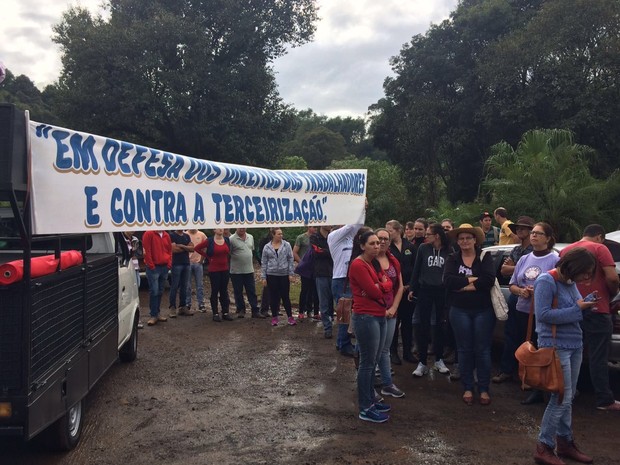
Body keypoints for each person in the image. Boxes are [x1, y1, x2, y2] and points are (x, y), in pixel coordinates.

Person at [533, 247, 597, 465]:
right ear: (574, 266)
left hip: (574, 343)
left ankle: (565, 442)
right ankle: (544, 446)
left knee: (568, 398)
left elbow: (574, 308)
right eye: (586, 272)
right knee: (560, 397)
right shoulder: (546, 281)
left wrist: (586, 303)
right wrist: (578, 308)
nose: (587, 277)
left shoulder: (570, 283)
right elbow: (542, 315)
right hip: (555, 345)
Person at [494, 223, 559, 404]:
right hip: (522, 309)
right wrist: (520, 291)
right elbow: (513, 284)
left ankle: (539, 387)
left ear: (548, 238)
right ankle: (523, 377)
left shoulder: (555, 259)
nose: (534, 236)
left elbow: (561, 285)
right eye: (533, 233)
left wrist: (540, 290)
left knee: (541, 348)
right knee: (522, 344)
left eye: (539, 233)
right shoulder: (524, 259)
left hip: (543, 313)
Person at [559, 224, 620, 411]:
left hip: (572, 309)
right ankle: (604, 400)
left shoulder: (567, 250)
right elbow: (612, 278)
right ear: (600, 237)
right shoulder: (600, 248)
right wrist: (613, 294)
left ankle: (568, 392)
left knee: (572, 353)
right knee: (598, 356)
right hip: (597, 309)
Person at [444, 224, 495, 405]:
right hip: (459, 310)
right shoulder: (452, 259)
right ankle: (467, 386)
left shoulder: (485, 257)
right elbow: (448, 281)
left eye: (468, 238)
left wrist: (463, 286)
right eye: (461, 238)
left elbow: (489, 279)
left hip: (483, 310)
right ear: (457, 241)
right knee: (464, 349)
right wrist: (474, 281)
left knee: (482, 350)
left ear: (475, 240)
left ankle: (483, 388)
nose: (465, 241)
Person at [348, 230, 392, 423]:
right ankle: (365, 407)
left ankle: (371, 400)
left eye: (378, 243)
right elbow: (374, 292)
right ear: (362, 245)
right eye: (372, 243)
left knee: (372, 361)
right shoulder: (358, 265)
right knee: (366, 363)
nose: (377, 245)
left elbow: (388, 283)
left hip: (379, 315)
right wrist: (381, 286)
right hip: (366, 317)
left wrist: (381, 285)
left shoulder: (373, 263)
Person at [409, 223, 451, 377]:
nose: (425, 237)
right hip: (425, 290)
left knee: (440, 325)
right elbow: (417, 268)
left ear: (437, 236)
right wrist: (413, 288)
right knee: (422, 325)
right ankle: (422, 362)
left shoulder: (448, 250)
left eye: (428, 234)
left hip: (442, 291)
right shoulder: (423, 249)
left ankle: (439, 360)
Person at [375, 228, 405, 398]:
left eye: (386, 239)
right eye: (379, 239)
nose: (383, 242)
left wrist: (394, 308)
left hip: (391, 312)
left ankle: (387, 384)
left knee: (385, 349)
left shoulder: (393, 260)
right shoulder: (368, 262)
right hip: (374, 313)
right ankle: (369, 384)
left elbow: (399, 286)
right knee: (372, 351)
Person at [328, 218, 366, 356]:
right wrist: (359, 207)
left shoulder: (350, 237)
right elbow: (352, 225)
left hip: (349, 279)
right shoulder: (333, 236)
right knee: (345, 313)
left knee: (347, 313)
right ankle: (344, 345)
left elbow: (359, 224)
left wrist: (362, 209)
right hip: (341, 280)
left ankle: (341, 342)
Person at [386, 220, 417, 364]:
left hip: (408, 291)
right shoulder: (387, 249)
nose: (388, 233)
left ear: (398, 230)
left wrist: (410, 285)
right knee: (394, 321)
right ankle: (392, 352)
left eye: (390, 230)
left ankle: (407, 352)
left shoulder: (410, 246)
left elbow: (416, 268)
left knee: (407, 322)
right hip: (393, 292)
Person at [195, 229, 233, 322]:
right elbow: (197, 248)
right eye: (218, 228)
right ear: (214, 230)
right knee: (215, 290)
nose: (221, 229)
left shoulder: (227, 240)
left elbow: (229, 252)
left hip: (225, 269)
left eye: (222, 228)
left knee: (224, 291)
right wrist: (207, 257)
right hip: (214, 269)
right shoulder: (210, 241)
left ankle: (225, 312)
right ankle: (215, 313)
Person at [261, 228, 296, 326]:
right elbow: (264, 262)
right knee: (273, 297)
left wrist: (291, 273)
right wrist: (263, 277)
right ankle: (274, 317)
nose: (281, 236)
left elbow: (290, 259)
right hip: (271, 274)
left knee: (285, 296)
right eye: (279, 234)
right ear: (273, 235)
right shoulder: (267, 247)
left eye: (281, 234)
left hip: (284, 274)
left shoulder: (287, 245)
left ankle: (290, 317)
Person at [229, 228, 263, 318]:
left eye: (244, 227)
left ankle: (255, 310)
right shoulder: (231, 239)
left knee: (251, 290)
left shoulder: (250, 237)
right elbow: (229, 253)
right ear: (236, 227)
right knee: (238, 291)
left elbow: (251, 250)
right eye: (240, 227)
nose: (242, 228)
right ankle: (241, 309)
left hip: (249, 269)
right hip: (236, 271)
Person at [142, 230, 172, 326]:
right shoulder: (149, 233)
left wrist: (169, 264)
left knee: (160, 290)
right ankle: (153, 314)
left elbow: (170, 250)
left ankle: (157, 313)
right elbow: (147, 250)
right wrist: (151, 266)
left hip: (164, 266)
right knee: (154, 291)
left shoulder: (166, 235)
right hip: (154, 267)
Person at [311, 225, 334, 338]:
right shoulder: (315, 237)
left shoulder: (334, 235)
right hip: (321, 273)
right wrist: (331, 252)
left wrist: (326, 252)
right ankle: (327, 327)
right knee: (323, 303)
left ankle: (344, 329)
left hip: (335, 273)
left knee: (339, 302)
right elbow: (316, 252)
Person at [293, 226, 319, 320]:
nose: (316, 228)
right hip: (305, 268)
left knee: (315, 290)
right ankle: (301, 311)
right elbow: (295, 252)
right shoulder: (301, 238)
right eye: (314, 226)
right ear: (308, 227)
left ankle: (314, 311)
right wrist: (301, 263)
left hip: (315, 268)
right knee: (305, 290)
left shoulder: (318, 237)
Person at [168, 229, 194, 317]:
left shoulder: (187, 236)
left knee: (185, 286)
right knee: (174, 286)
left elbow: (192, 248)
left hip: (186, 263)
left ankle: (183, 306)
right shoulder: (171, 235)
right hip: (176, 264)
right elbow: (174, 250)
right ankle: (172, 307)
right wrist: (186, 248)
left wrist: (181, 246)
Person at [186, 229, 207, 312]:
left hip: (198, 263)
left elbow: (205, 247)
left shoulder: (202, 234)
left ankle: (201, 304)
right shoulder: (185, 234)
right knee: (187, 285)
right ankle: (187, 304)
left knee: (200, 285)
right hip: (188, 263)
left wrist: (202, 259)